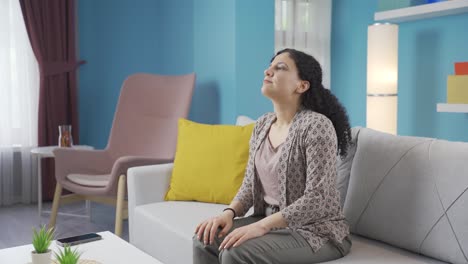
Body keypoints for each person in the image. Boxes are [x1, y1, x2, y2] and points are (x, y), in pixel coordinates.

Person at [193, 48, 353, 264]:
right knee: (204, 238)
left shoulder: (317, 125)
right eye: (270, 66)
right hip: (270, 222)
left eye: (280, 68)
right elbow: (250, 185)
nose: (268, 71)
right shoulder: (261, 125)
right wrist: (229, 213)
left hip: (316, 232)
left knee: (237, 252)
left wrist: (261, 226)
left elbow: (317, 198)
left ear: (302, 85)